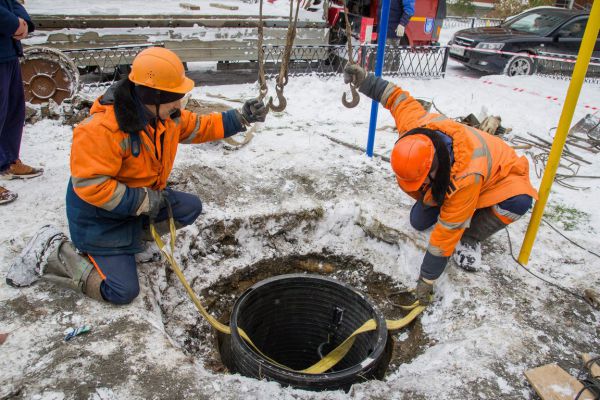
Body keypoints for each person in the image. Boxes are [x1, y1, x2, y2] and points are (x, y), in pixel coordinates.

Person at [6, 47, 268, 304]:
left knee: (189, 208)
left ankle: (132, 242)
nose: (179, 103)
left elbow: (199, 127)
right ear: (153, 95)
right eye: (174, 96)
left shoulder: (164, 116)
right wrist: (144, 202)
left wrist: (241, 117)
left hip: (136, 206)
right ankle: (54, 251)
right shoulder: (101, 130)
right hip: (99, 220)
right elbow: (91, 185)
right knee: (122, 291)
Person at [343, 64, 538, 305]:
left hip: (500, 178)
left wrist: (426, 281)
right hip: (452, 174)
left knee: (517, 201)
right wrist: (364, 81)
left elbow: (446, 233)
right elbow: (396, 98)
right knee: (418, 221)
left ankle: (472, 237)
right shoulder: (417, 129)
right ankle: (458, 208)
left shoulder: (466, 177)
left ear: (431, 167)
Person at [0, 0, 43, 205]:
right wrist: (13, 24)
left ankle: (7, 161)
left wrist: (22, 23)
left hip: (7, 50)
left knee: (12, 112)